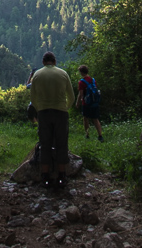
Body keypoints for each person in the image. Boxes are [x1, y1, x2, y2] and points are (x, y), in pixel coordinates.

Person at [30, 51, 75, 190]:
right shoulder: (63, 74)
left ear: (43, 62)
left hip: (43, 112)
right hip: (61, 112)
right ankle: (62, 175)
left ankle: (45, 176)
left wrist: (40, 109)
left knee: (45, 143)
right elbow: (72, 97)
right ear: (54, 61)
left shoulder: (36, 75)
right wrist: (65, 108)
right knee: (62, 143)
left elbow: (33, 99)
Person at [77, 64, 103, 142]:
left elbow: (81, 94)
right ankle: (100, 135)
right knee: (95, 119)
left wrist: (78, 102)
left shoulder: (81, 82)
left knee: (85, 118)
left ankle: (87, 134)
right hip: (95, 102)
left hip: (86, 103)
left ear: (81, 72)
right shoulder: (93, 80)